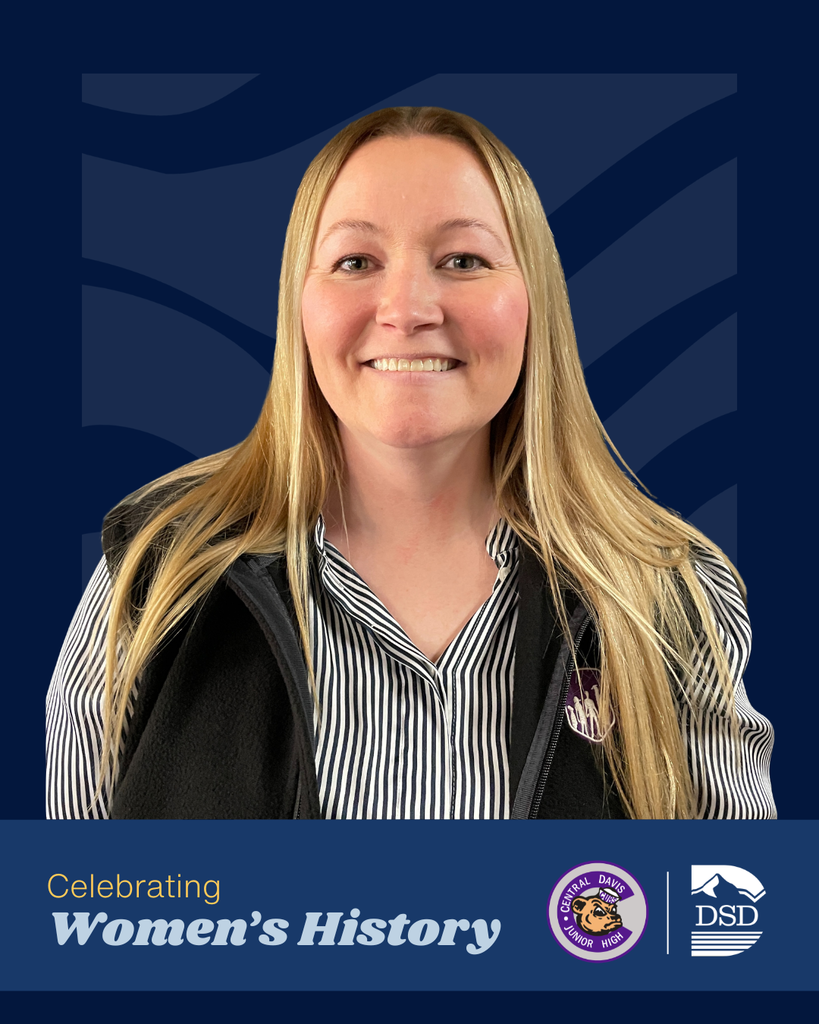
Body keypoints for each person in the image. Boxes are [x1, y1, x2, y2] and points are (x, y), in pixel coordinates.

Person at [47, 106, 775, 820]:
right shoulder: (154, 572)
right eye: (355, 261)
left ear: (534, 302)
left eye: (463, 260)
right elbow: (78, 922)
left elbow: (731, 930)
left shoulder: (668, 592)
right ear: (298, 305)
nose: (406, 308)